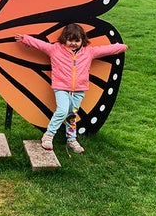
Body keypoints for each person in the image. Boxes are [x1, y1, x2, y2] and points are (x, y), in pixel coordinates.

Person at [15, 23, 128, 154]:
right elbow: (40, 45)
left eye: (77, 40)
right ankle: (48, 136)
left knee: (72, 115)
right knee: (62, 110)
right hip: (61, 88)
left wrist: (122, 47)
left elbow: (106, 49)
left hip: (79, 90)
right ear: (64, 39)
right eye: (70, 40)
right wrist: (25, 39)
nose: (73, 43)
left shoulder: (89, 52)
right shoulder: (55, 49)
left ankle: (71, 140)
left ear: (82, 40)